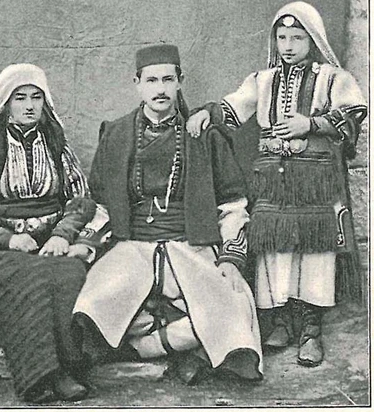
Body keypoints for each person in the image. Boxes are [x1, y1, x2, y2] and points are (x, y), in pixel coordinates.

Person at [186, 2, 367, 367]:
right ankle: (281, 319)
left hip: (316, 182)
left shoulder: (333, 78)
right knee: (273, 247)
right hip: (272, 179)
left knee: (314, 251)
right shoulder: (263, 80)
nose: (288, 45)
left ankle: (311, 329)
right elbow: (235, 107)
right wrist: (207, 112)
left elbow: (352, 112)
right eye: (282, 37)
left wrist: (311, 125)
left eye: (297, 37)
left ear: (312, 39)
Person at [72, 44, 263, 385]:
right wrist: (87, 243)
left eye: (168, 79)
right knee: (90, 308)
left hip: (190, 244)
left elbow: (232, 205)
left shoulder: (204, 136)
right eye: (151, 80)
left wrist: (231, 258)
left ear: (180, 82)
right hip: (133, 246)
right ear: (137, 84)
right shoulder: (115, 133)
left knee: (234, 308)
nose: (160, 89)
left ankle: (144, 347)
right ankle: (177, 348)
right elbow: (100, 203)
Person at [0, 64, 96, 403]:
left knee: (70, 271)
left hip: (46, 244)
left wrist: (62, 235)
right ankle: (41, 374)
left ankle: (69, 367)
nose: (29, 106)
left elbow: (79, 194)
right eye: (20, 98)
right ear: (5, 102)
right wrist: (7, 238)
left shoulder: (55, 139)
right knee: (31, 278)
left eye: (36, 97)